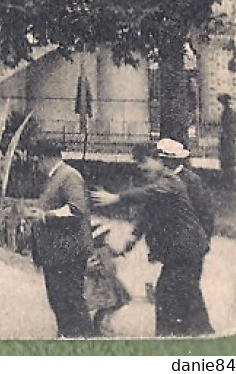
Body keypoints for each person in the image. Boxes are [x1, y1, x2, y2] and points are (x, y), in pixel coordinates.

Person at [94, 139, 213, 337]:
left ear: (163, 160)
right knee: (182, 291)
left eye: (145, 161)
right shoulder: (163, 180)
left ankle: (172, 336)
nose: (141, 167)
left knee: (170, 292)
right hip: (179, 249)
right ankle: (194, 333)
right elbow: (148, 213)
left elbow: (204, 215)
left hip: (186, 248)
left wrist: (117, 197)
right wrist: (130, 241)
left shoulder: (176, 181)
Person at [24, 137, 97, 338]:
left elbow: (76, 209)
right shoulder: (56, 176)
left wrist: (45, 216)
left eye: (37, 160)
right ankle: (67, 338)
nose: (36, 165)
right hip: (56, 252)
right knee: (59, 299)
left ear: (45, 158)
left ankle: (84, 342)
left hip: (68, 251)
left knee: (70, 299)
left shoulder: (69, 176)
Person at [161, 141, 217, 240]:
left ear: (177, 161)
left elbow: (204, 211)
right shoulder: (159, 178)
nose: (163, 162)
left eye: (166, 159)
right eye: (161, 159)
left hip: (186, 238)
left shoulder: (192, 181)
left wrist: (203, 238)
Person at [216, 93, 236, 185]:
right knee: (226, 158)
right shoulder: (228, 112)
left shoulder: (228, 113)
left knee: (227, 158)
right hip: (227, 138)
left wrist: (227, 136)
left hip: (228, 138)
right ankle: (226, 178)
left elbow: (230, 127)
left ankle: (228, 179)